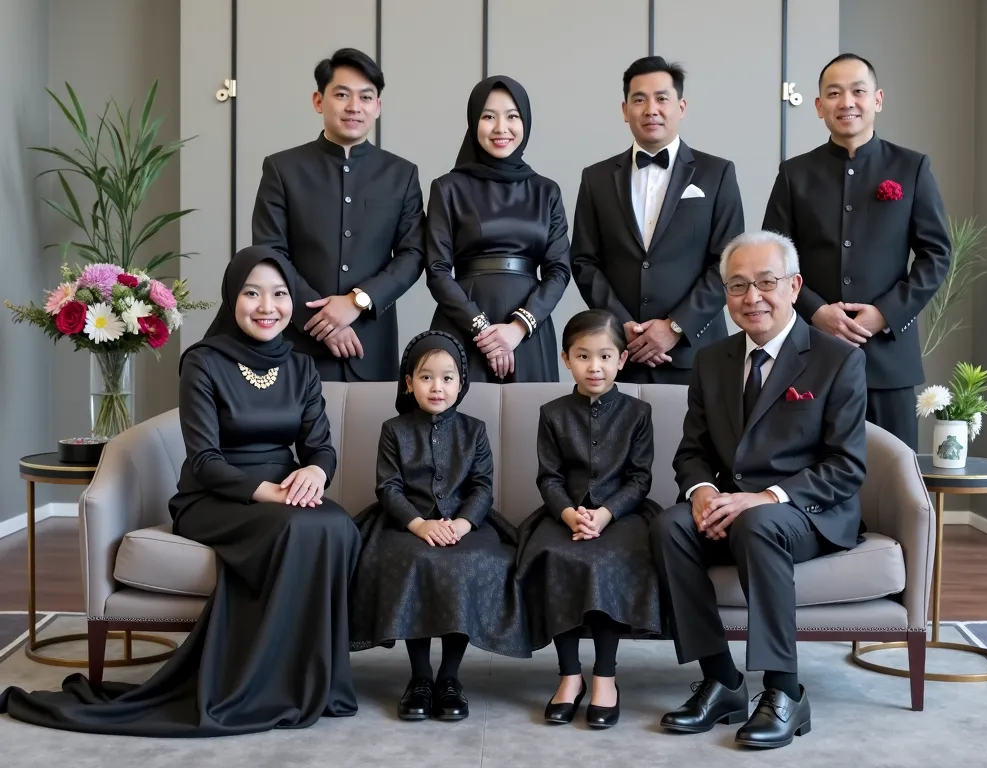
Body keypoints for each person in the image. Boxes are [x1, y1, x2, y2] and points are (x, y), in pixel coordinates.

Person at [0, 246, 362, 736]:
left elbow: (320, 448)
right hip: (214, 498)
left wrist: (315, 474)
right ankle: (262, 683)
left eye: (279, 294)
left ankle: (313, 680)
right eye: (252, 293)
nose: (266, 306)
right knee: (299, 526)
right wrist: (269, 493)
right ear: (232, 297)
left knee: (337, 524)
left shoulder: (300, 368)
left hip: (284, 496)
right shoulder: (204, 362)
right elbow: (206, 461)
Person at [650, 230, 867, 749]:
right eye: (738, 285)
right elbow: (692, 451)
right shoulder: (712, 360)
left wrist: (765, 498)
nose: (752, 298)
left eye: (766, 282)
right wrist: (701, 490)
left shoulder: (836, 359)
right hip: (732, 505)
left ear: (793, 286)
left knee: (758, 523)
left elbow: (846, 466)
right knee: (670, 526)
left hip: (807, 510)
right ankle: (721, 680)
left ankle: (784, 690)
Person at [762, 52, 951, 450]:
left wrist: (885, 313)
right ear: (818, 106)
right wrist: (815, 311)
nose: (846, 102)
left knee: (895, 476)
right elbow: (772, 260)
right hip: (809, 352)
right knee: (811, 470)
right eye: (833, 93)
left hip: (888, 360)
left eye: (858, 91)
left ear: (877, 99)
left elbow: (936, 256)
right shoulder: (795, 174)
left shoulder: (911, 167)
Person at [348, 330, 530, 722]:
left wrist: (462, 525)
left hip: (467, 524)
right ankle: (420, 678)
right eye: (426, 377)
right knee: (413, 562)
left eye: (447, 378)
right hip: (404, 523)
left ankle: (449, 677)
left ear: (460, 384)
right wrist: (419, 525)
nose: (437, 387)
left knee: (463, 565)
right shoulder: (394, 430)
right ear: (409, 383)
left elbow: (482, 486)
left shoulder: (474, 429)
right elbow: (388, 486)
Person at [516, 309, 661, 729]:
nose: (594, 367)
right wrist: (567, 513)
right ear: (565, 360)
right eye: (582, 356)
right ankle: (568, 675)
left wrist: (605, 513)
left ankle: (605, 676)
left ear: (622, 359)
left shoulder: (637, 413)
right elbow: (549, 476)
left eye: (604, 356)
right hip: (563, 513)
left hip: (622, 514)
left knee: (609, 560)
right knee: (554, 556)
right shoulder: (553, 412)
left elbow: (640, 478)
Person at [248, 47, 425, 382]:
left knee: (374, 434)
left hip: (371, 342)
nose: (354, 107)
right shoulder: (282, 169)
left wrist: (357, 301)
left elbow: (414, 254)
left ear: (378, 106)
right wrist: (322, 321)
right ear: (319, 101)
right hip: (296, 342)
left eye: (365, 97)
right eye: (342, 94)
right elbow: (270, 253)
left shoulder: (401, 174)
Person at [571, 55, 744, 385]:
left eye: (662, 98)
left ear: (681, 107)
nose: (651, 109)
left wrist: (675, 326)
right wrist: (623, 326)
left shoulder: (717, 173)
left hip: (697, 352)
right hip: (620, 353)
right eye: (639, 99)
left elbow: (728, 264)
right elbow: (584, 261)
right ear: (625, 110)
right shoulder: (596, 178)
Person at [425, 75, 572, 383]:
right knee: (460, 425)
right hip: (463, 326)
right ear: (473, 121)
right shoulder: (448, 188)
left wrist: (519, 326)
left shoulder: (546, 191)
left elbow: (559, 270)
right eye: (488, 116)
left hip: (529, 330)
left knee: (531, 426)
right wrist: (481, 328)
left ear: (526, 123)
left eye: (512, 116)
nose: (500, 128)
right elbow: (437, 271)